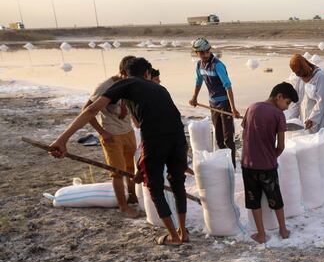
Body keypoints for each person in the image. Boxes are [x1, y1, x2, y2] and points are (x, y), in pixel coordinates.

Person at [49, 57, 190, 246]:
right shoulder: (160, 89)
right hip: (179, 138)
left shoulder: (125, 84)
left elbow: (91, 110)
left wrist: (62, 139)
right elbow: (160, 123)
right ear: (147, 74)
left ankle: (173, 237)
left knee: (155, 188)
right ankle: (183, 232)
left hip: (156, 140)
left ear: (123, 74)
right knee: (177, 183)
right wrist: (142, 167)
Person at [241, 82, 299, 243]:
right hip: (267, 166)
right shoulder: (278, 115)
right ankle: (283, 229)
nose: (287, 108)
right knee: (275, 198)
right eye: (287, 103)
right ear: (279, 97)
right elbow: (281, 145)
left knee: (253, 200)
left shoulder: (251, 107)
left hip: (247, 164)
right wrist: (272, 156)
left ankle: (261, 234)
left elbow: (245, 133)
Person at [83, 55, 139, 218]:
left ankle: (133, 196)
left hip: (128, 132)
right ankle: (123, 206)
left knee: (131, 168)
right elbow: (86, 111)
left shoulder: (132, 83)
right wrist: (102, 132)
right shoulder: (106, 87)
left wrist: (136, 124)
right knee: (117, 171)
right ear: (122, 72)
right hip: (112, 135)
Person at [189, 37, 240, 166]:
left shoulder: (217, 65)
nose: (205, 55)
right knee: (219, 137)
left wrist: (233, 108)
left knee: (228, 139)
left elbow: (228, 86)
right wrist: (194, 97)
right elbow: (198, 81)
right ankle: (224, 164)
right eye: (201, 53)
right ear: (197, 53)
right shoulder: (199, 65)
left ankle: (232, 166)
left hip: (224, 105)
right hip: (213, 105)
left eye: (207, 51)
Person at [286, 54, 324, 181]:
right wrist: (291, 120)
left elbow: (321, 101)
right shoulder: (299, 78)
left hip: (321, 119)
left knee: (322, 148)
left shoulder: (321, 77)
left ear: (304, 65)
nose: (298, 75)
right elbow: (295, 101)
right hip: (305, 120)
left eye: (299, 71)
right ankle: (312, 178)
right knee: (309, 149)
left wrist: (312, 119)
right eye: (295, 73)